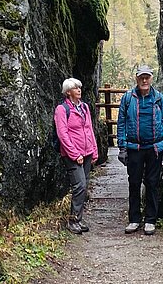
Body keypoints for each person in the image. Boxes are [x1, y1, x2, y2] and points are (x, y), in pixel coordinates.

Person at [117, 64, 163, 236]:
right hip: (134, 148)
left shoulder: (159, 98)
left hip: (155, 147)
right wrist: (122, 147)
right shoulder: (128, 98)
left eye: (147, 76)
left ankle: (150, 220)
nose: (144, 80)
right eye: (141, 77)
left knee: (152, 183)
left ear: (151, 78)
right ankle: (134, 219)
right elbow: (121, 123)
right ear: (136, 78)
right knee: (134, 183)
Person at [54, 77, 98, 234]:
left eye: (79, 87)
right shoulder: (62, 109)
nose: (79, 90)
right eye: (75, 88)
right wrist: (74, 154)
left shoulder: (84, 107)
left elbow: (89, 129)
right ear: (68, 92)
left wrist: (94, 150)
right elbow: (62, 134)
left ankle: (78, 219)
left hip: (87, 152)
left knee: (84, 185)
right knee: (79, 185)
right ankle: (73, 221)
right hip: (73, 154)